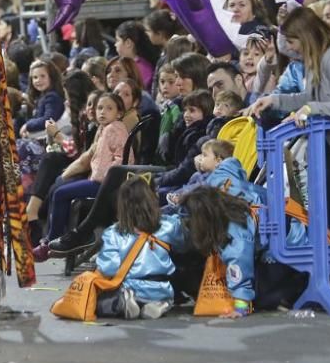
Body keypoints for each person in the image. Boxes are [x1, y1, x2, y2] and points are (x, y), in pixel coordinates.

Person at [246, 7, 330, 243]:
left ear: (305, 36)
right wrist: (275, 100)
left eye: (292, 41)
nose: (290, 47)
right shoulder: (319, 58)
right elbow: (310, 98)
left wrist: (311, 109)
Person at [33, 92, 129, 261]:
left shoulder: (116, 129)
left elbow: (122, 158)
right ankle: (57, 238)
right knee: (60, 189)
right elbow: (89, 155)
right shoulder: (103, 129)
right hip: (97, 179)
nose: (102, 112)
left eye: (109, 108)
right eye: (100, 108)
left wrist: (108, 176)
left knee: (60, 193)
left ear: (119, 113)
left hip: (106, 183)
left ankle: (52, 239)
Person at [93, 176, 186, 320]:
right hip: (161, 286)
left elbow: (109, 268)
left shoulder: (113, 232)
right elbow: (182, 244)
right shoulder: (169, 225)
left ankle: (125, 302)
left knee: (98, 302)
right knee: (165, 295)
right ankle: (162, 303)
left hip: (130, 286)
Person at [26, 71, 96, 235]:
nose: (66, 101)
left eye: (67, 96)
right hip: (81, 160)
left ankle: (34, 218)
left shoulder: (88, 113)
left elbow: (81, 153)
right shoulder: (81, 113)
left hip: (90, 166)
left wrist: (57, 135)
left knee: (52, 166)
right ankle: (31, 213)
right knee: (51, 161)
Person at [178, 187, 257, 318]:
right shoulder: (229, 210)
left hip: (285, 248)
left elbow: (239, 267)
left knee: (265, 298)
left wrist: (240, 308)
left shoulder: (235, 236)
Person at [165, 139, 234, 207]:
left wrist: (181, 199)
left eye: (204, 155)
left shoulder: (215, 182)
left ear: (218, 161)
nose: (200, 158)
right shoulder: (200, 175)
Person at [114, 20, 159, 90]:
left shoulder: (143, 67)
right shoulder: (126, 64)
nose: (115, 44)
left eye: (117, 40)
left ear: (128, 43)